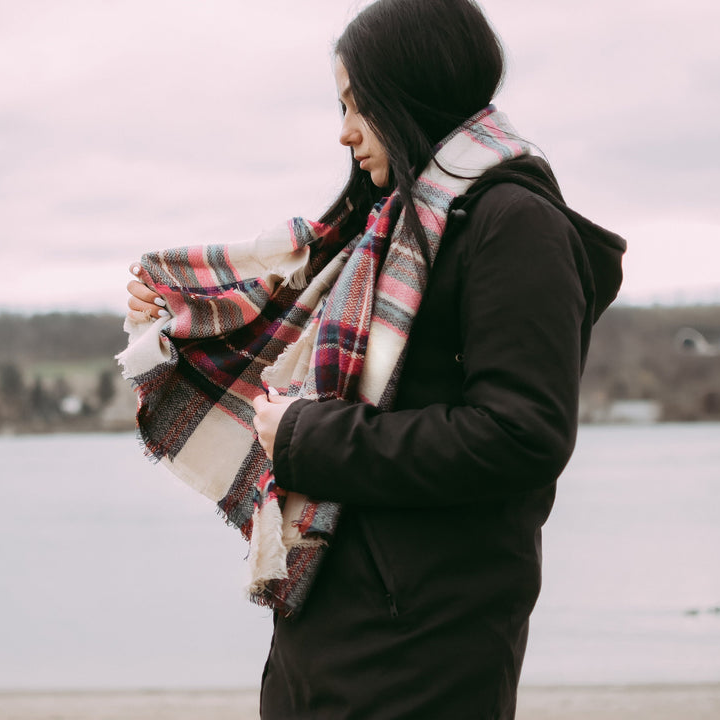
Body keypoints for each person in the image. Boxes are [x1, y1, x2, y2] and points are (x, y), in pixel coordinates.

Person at [122, 0, 626, 717]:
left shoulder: (514, 226)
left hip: (426, 650)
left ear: (412, 89)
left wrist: (304, 437)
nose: (345, 131)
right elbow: (283, 325)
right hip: (333, 630)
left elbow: (522, 437)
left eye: (359, 105)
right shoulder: (388, 228)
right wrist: (178, 323)